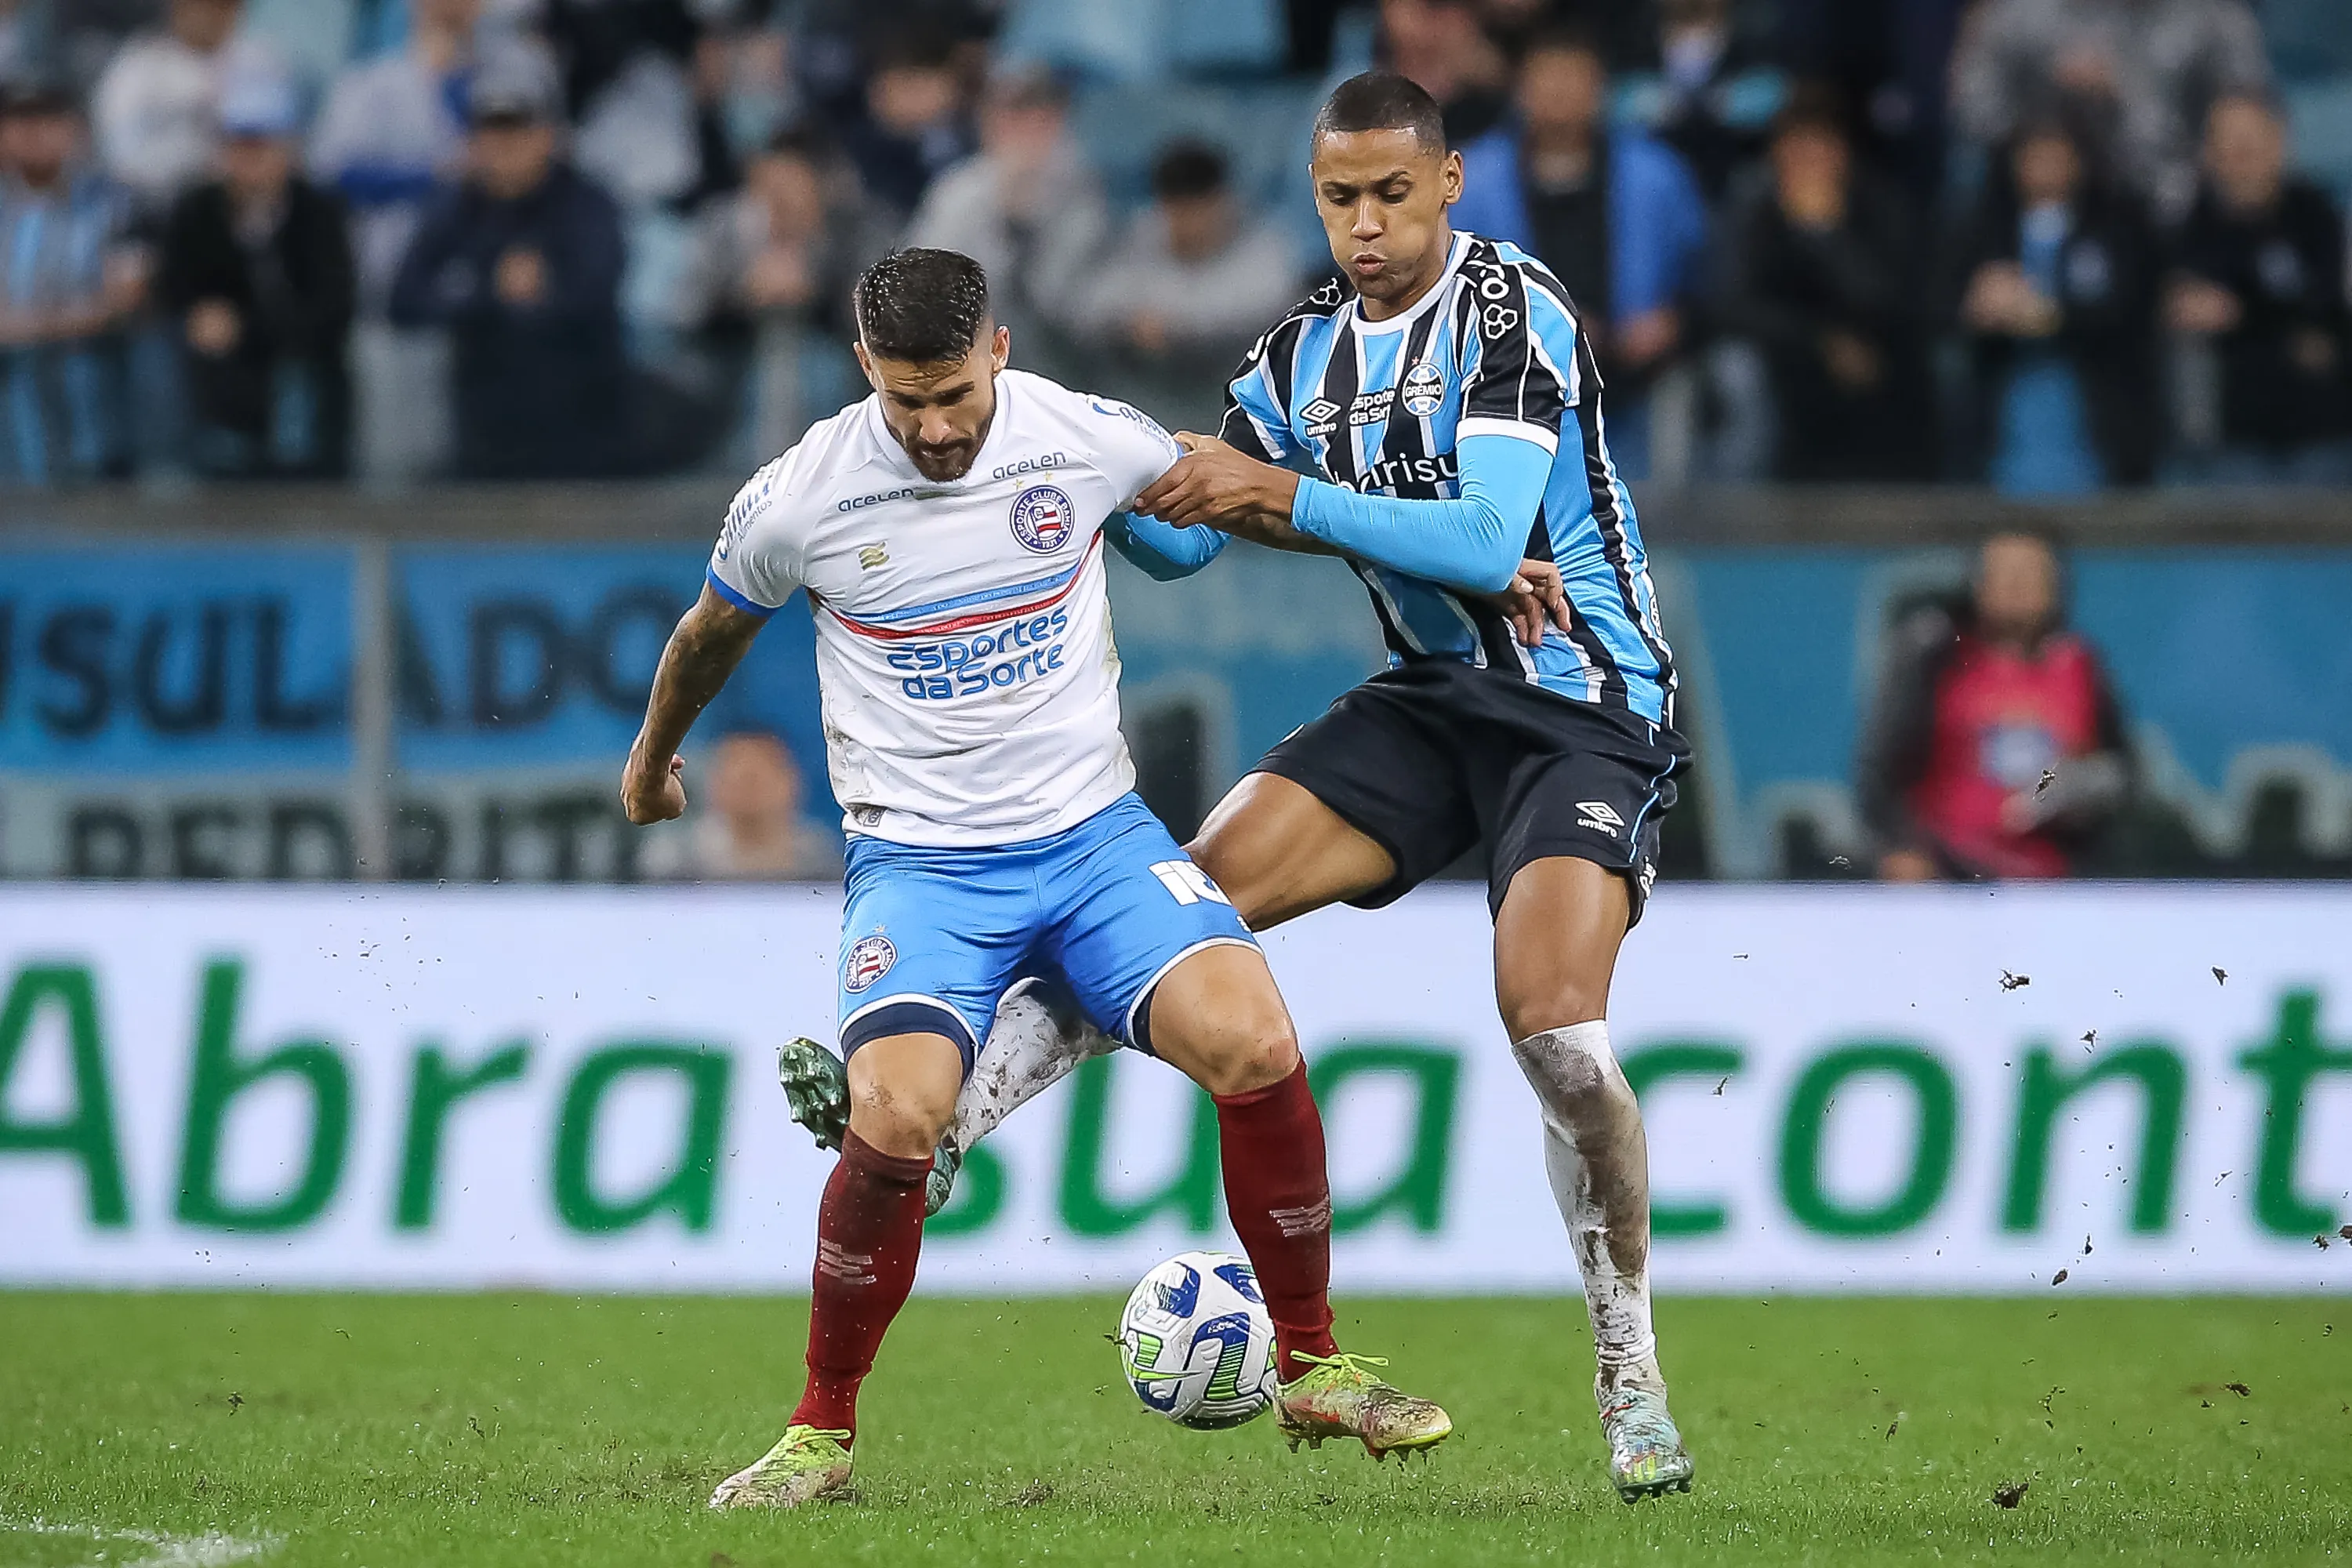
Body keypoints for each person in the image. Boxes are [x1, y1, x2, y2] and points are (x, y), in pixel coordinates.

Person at [779, 73, 1697, 1505]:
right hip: (1433, 702)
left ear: (1449, 185)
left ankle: (1628, 1366)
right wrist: (1076, 484)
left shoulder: (1513, 308)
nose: (1368, 224)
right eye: (1341, 199)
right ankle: (939, 1127)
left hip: (1584, 705)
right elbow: (1191, 535)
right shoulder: (1299, 354)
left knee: (1558, 1037)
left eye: (1394, 193)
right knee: (1179, 907)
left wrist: (1274, 495)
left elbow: (1483, 540)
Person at [621, 248, 1454, 1508]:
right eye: (907, 400)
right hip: (923, 868)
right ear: (865, 369)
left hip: (1098, 843)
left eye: (955, 393)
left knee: (1255, 1039)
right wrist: (650, 764)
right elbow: (708, 635)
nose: (936, 428)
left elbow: (1229, 511)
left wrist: (1446, 564)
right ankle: (820, 1434)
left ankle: (1316, 1368)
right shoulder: (800, 497)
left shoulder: (1082, 436)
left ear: (999, 349)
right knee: (895, 1120)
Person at [1451, 27, 1707, 474]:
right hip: (1507, 377)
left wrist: (1672, 322)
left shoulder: (1657, 174)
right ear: (1520, 88)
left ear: (1600, 87)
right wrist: (1551, 328)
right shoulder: (1472, 180)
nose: (1560, 93)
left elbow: (1705, 277)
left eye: (1575, 78)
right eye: (1547, 78)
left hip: (1640, 377)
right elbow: (1448, 288)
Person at [387, 45, 628, 480]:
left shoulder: (586, 204)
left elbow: (599, 289)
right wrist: (486, 292)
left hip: (584, 433)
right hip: (482, 435)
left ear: (548, 135)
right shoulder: (457, 208)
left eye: (518, 127)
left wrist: (546, 291)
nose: (505, 144)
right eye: (492, 129)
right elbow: (402, 301)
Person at [1860, 533, 2132, 881]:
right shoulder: (1939, 657)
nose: (2017, 584)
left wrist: (2078, 791)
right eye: (2004, 572)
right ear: (1977, 585)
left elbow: (2116, 769)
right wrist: (1900, 846)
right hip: (1946, 865)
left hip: (2050, 873)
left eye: (2030, 572)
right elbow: (1881, 766)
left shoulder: (2080, 667)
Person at [1717, 97, 1930, 481]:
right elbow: (1732, 305)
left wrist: (1825, 236)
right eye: (1796, 148)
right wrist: (1821, 341)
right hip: (1785, 356)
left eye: (1821, 147)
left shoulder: (1880, 204)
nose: (1809, 161)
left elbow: (1891, 300)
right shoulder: (1752, 207)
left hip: (1876, 352)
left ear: (1844, 153)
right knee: (1739, 370)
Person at [158, 73, 354, 477]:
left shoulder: (318, 213)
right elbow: (173, 288)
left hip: (305, 379)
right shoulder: (196, 211)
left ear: (289, 149)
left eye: (261, 146)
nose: (249, 160)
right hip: (224, 385)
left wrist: (244, 327)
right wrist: (196, 316)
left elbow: (334, 306)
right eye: (238, 146)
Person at [1947, 117, 2158, 492]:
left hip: (2092, 415)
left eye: (2056, 156)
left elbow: (2129, 306)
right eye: (2034, 156)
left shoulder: (2116, 226)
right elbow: (1937, 304)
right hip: (2005, 413)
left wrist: (2049, 314)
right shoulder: (1983, 232)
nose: (2045, 168)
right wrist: (1976, 308)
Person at [2166, 94, 2352, 481]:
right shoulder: (2192, 227)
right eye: (2228, 141)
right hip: (2230, 442)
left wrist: (2240, 311)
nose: (2239, 153)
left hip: (2322, 436)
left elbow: (2323, 314)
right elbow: (2186, 310)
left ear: (2277, 141)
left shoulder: (2316, 215)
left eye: (2249, 140)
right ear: (2209, 151)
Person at [1950, 0, 2270, 223]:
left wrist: (2122, 99)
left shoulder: (2215, 19)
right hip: (2039, 193)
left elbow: (2249, 120)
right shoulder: (2018, 14)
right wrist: (2039, 119)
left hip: (2163, 195)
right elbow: (1969, 107)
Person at [1071, 138, 1302, 432]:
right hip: (1149, 406)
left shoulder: (1264, 247)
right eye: (1175, 207)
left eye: (1196, 207)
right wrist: (1124, 323)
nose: (1186, 221)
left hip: (1235, 408)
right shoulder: (1143, 236)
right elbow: (1090, 304)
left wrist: (1175, 331)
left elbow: (1265, 314)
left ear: (1220, 202)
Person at [903, 63, 1103, 362]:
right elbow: (922, 287)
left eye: (1038, 118)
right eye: (1012, 115)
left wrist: (1018, 226)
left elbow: (1065, 307)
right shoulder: (957, 191)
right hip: (967, 356)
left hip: (1061, 363)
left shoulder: (1082, 195)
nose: (1025, 130)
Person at [0, 78, 143, 484]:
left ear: (75, 128)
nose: (33, 131)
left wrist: (28, 325)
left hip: (88, 375)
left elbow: (124, 301)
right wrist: (68, 314)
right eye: (20, 119)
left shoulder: (114, 199)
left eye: (48, 118)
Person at [308, 0, 485, 314]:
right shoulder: (372, 81)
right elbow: (331, 175)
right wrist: (433, 176)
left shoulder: (508, 76)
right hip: (386, 268)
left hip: (477, 281)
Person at [90, 0, 278, 220]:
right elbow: (118, 153)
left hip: (239, 206)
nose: (214, 17)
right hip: (155, 204)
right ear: (179, 9)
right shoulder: (138, 66)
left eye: (225, 7)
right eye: (205, 7)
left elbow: (282, 146)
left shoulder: (260, 62)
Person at [640, 726, 844, 882]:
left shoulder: (819, 857)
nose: (749, 792)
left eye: (756, 780)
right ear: (714, 784)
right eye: (738, 779)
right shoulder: (678, 858)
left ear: (791, 782)